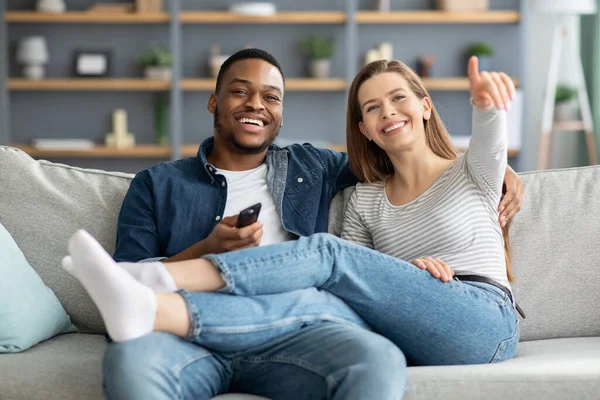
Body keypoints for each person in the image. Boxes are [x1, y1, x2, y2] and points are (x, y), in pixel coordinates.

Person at [63, 49, 524, 399]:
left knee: (371, 350)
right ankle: (155, 292)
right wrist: (205, 249)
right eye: (240, 91)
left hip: (299, 335)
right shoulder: (157, 184)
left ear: (282, 111)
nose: (256, 105)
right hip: (189, 341)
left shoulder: (314, 166)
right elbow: (374, 272)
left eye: (271, 96)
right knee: (129, 362)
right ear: (214, 101)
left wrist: (495, 164)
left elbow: (420, 161)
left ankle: (152, 288)